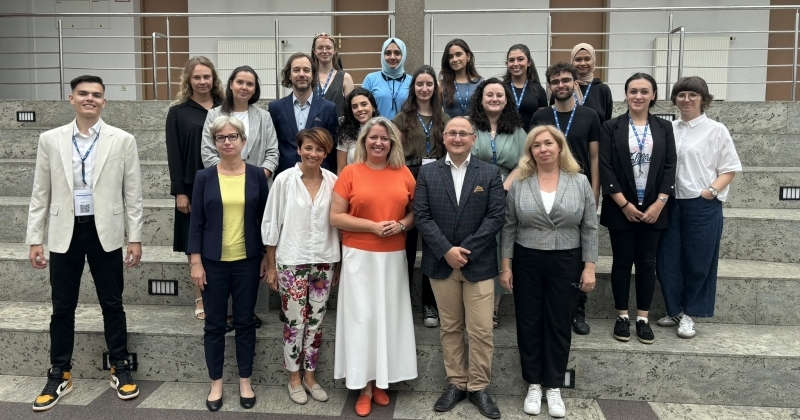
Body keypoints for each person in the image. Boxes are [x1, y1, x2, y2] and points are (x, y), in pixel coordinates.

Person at [27, 75, 144, 411]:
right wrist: (35, 238)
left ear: (104, 101)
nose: (90, 99)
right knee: (63, 307)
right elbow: (40, 192)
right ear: (71, 98)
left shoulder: (122, 140)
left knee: (112, 303)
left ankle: (120, 367)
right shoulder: (50, 139)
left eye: (96, 95)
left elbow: (133, 193)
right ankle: (60, 372)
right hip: (65, 232)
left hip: (105, 231)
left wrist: (134, 237)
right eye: (83, 94)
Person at [500, 125, 598, 419]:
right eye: (536, 145)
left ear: (559, 147)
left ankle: (553, 386)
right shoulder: (520, 181)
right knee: (528, 322)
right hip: (527, 259)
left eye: (548, 143)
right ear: (529, 151)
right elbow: (508, 226)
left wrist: (589, 267)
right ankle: (533, 383)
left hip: (566, 259)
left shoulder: (579, 181)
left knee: (558, 323)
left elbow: (590, 226)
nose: (543, 149)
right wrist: (506, 266)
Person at [414, 117, 505, 419]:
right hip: (441, 264)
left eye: (462, 133)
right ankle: (456, 383)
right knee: (450, 328)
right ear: (443, 137)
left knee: (480, 331)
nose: (456, 138)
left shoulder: (490, 173)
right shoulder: (427, 173)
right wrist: (446, 250)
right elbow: (422, 215)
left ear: (473, 138)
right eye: (451, 132)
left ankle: (478, 386)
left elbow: (495, 217)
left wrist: (465, 250)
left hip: (478, 264)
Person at [331, 117, 417, 417]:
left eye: (385, 138)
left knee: (387, 319)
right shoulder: (350, 173)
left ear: (392, 142)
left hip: (393, 258)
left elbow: (413, 214)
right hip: (359, 257)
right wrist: (371, 227)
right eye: (373, 138)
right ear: (364, 141)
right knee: (362, 320)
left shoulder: (403, 173)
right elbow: (336, 217)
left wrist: (401, 225)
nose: (379, 143)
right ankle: (364, 386)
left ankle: (382, 382)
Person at [188, 116, 270, 412]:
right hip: (212, 263)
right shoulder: (204, 177)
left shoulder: (257, 176)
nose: (227, 142)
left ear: (243, 141)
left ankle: (245, 381)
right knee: (214, 325)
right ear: (215, 143)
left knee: (246, 323)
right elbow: (196, 222)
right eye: (221, 138)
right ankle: (216, 383)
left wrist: (266, 257)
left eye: (233, 136)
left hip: (247, 261)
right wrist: (195, 262)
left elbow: (266, 221)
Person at [656, 76, 741, 339]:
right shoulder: (668, 128)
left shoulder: (716, 130)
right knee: (667, 260)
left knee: (699, 262)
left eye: (693, 95)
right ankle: (674, 310)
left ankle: (690, 314)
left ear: (704, 99)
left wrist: (711, 191)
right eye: (681, 94)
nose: (686, 99)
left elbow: (730, 168)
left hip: (701, 205)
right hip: (670, 203)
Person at [263, 127, 341, 404]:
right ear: (299, 149)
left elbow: (340, 224)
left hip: (324, 259)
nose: (313, 153)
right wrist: (271, 265)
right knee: (295, 323)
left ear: (326, 153)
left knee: (316, 322)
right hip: (291, 260)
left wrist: (339, 266)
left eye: (319, 149)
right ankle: (293, 377)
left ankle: (310, 375)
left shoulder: (334, 181)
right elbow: (271, 223)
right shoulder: (285, 180)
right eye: (308, 147)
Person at [599, 72, 676, 344]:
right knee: (621, 263)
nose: (638, 96)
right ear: (626, 94)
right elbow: (605, 167)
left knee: (646, 263)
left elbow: (669, 166)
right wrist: (624, 204)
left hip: (655, 207)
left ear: (653, 95)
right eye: (633, 91)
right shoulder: (611, 126)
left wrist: (660, 202)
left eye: (644, 91)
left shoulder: (665, 128)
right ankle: (622, 316)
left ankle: (642, 318)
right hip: (620, 207)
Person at [531, 62, 601, 335]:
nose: (561, 85)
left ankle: (578, 308)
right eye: (556, 81)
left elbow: (595, 158)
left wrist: (594, 196)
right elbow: (532, 152)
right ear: (549, 86)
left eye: (566, 80)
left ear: (575, 83)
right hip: (546, 189)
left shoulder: (590, 116)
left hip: (579, 190)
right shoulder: (541, 115)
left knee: (579, 253)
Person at [166, 56, 224, 320]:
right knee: (196, 242)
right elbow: (174, 154)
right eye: (197, 77)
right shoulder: (178, 112)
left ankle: (223, 296)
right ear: (188, 80)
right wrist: (179, 191)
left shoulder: (226, 108)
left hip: (225, 184)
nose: (202, 81)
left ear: (214, 79)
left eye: (207, 76)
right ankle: (200, 297)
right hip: (192, 186)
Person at [393, 65, 450, 328]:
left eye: (429, 84)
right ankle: (401, 303)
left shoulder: (445, 119)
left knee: (432, 244)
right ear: (413, 88)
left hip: (437, 178)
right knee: (405, 242)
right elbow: (393, 151)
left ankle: (430, 303)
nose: (424, 88)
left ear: (435, 88)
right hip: (407, 175)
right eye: (419, 84)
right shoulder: (402, 119)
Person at [467, 77, 527, 328]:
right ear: (481, 99)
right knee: (478, 243)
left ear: (506, 100)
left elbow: (525, 161)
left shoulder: (517, 130)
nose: (494, 99)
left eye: (499, 95)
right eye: (489, 95)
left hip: (506, 191)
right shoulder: (470, 126)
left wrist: (505, 185)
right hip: (474, 190)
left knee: (502, 244)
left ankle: (493, 308)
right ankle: (474, 305)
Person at [270, 52, 340, 177]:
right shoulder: (275, 108)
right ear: (289, 75)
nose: (301, 74)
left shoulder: (328, 108)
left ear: (313, 75)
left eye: (306, 70)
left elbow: (333, 149)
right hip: (286, 178)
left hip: (319, 177)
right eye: (296, 70)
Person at [201, 65, 279, 177]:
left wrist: (259, 177)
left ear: (255, 89)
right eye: (240, 82)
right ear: (231, 85)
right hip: (223, 182)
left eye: (250, 84)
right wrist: (230, 176)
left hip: (258, 184)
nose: (244, 87)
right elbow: (207, 152)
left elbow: (272, 153)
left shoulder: (264, 116)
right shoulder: (213, 115)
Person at [361, 38, 411, 120]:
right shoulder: (370, 79)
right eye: (388, 53)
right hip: (377, 130)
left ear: (403, 55)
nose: (392, 57)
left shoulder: (412, 81)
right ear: (383, 55)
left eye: (397, 53)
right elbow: (362, 106)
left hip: (404, 131)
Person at [502, 44, 547, 132]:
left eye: (520, 59)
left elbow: (543, 121)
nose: (515, 64)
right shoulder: (500, 88)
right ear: (507, 64)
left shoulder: (538, 90)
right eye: (511, 60)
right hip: (505, 138)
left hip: (531, 139)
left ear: (529, 62)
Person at [310, 32, 354, 118]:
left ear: (334, 51)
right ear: (314, 51)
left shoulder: (345, 78)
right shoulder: (309, 76)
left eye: (328, 48)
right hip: (313, 128)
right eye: (320, 48)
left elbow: (350, 108)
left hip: (337, 127)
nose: (324, 51)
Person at [337, 87, 379, 172]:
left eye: (364, 104)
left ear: (373, 106)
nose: (359, 109)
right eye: (355, 107)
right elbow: (341, 169)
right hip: (352, 183)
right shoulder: (346, 134)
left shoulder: (384, 130)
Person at [439, 38, 483, 118]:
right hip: (450, 129)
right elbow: (436, 114)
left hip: (475, 130)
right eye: (450, 57)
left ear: (468, 56)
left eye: (458, 54)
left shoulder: (482, 83)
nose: (454, 59)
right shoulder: (441, 85)